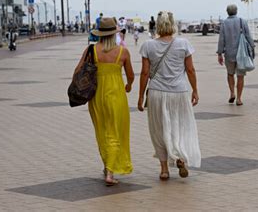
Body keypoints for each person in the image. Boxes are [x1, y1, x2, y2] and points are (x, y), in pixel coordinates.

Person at [138, 11, 201, 181]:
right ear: (173, 24)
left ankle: (164, 169)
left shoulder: (148, 45)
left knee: (159, 130)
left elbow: (144, 73)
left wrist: (140, 97)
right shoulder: (183, 43)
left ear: (157, 25)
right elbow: (190, 70)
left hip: (157, 93)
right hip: (179, 92)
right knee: (179, 126)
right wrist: (195, 90)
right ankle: (180, 157)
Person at [74, 17, 135, 186]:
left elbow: (78, 70)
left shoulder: (91, 50)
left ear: (100, 34)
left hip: (96, 96)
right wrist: (129, 85)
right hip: (116, 95)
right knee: (115, 131)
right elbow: (130, 75)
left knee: (102, 130)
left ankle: (107, 165)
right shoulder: (123, 52)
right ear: (114, 34)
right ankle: (110, 171)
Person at [217, 4, 255, 106]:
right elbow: (248, 35)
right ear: (236, 11)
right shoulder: (242, 21)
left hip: (229, 54)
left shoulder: (224, 23)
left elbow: (221, 39)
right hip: (241, 54)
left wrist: (220, 53)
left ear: (227, 12)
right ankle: (239, 98)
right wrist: (252, 46)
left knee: (230, 74)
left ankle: (232, 93)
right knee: (240, 76)